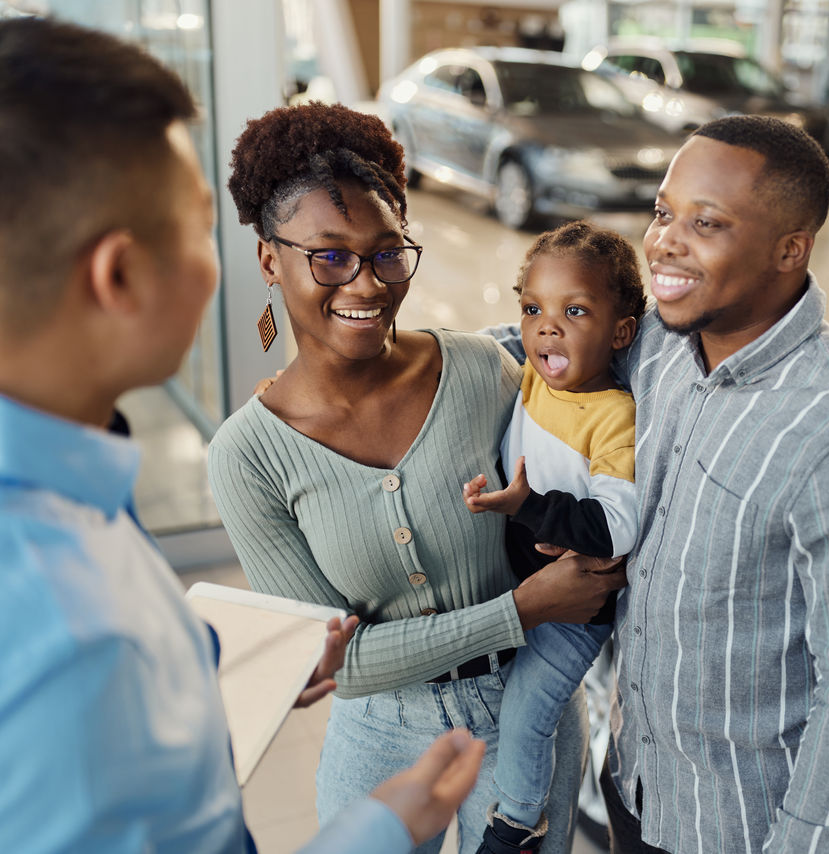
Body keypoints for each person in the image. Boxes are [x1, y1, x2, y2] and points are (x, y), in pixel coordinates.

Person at [0, 16, 485, 854]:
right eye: (195, 227)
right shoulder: (69, 627)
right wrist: (378, 831)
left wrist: (201, 666)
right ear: (119, 276)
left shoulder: (74, 502)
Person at [488, 115, 829, 852]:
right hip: (634, 784)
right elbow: (541, 339)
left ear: (790, 249)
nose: (666, 240)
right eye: (665, 212)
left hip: (736, 828)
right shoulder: (661, 342)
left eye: (708, 222)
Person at [206, 103, 626, 854]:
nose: (366, 284)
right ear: (271, 260)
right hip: (376, 738)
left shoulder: (480, 372)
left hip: (525, 719)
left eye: (388, 252)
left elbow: (585, 466)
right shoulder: (248, 457)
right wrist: (524, 609)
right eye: (329, 256)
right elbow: (344, 661)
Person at [460, 221, 644, 853]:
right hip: (526, 584)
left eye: (573, 311)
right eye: (533, 309)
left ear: (620, 331)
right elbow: (463, 349)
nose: (546, 327)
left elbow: (616, 527)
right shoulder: (536, 373)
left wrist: (529, 505)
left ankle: (517, 823)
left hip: (576, 610)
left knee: (528, 710)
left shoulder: (614, 416)